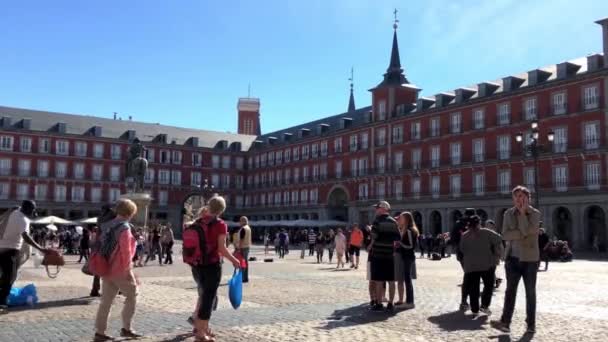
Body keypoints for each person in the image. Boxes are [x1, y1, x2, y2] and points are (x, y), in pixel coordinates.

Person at [189, 196, 241, 342]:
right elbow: (222, 248)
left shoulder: (198, 221)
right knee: (208, 298)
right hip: (212, 265)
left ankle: (204, 328)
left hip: (197, 264)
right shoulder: (220, 224)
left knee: (203, 295)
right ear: (222, 209)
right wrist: (235, 260)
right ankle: (200, 333)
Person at [491, 186, 541, 335]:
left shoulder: (535, 214)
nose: (519, 199)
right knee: (510, 291)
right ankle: (505, 322)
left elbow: (530, 231)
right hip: (512, 259)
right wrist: (523, 232)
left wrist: (523, 214)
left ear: (528, 198)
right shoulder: (508, 213)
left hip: (530, 259)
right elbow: (505, 235)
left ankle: (531, 324)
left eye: (521, 196)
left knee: (530, 293)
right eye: (516, 196)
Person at [94, 199, 142, 341]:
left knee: (106, 301)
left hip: (106, 268)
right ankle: (126, 328)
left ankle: (100, 332)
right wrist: (128, 270)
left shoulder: (107, 226)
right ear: (130, 212)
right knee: (132, 295)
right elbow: (126, 252)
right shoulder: (124, 228)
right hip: (120, 269)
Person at [0, 200, 54, 314]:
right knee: (9, 278)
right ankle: (1, 302)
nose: (34, 212)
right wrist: (41, 248)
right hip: (10, 250)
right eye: (33, 209)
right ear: (29, 209)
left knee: (4, 275)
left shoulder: (14, 212)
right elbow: (26, 237)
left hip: (2, 248)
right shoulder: (23, 220)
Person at [460, 215, 503, 315]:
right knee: (488, 286)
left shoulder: (465, 235)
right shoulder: (486, 232)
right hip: (487, 264)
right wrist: (496, 255)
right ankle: (484, 306)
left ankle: (474, 309)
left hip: (471, 266)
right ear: (479, 223)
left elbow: (462, 249)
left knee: (473, 288)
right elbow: (499, 239)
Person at [369, 201, 401, 312]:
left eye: (377, 208)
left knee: (378, 280)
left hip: (378, 254)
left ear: (383, 209)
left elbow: (374, 236)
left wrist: (370, 242)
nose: (376, 210)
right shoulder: (394, 222)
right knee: (391, 280)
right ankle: (391, 304)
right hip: (390, 255)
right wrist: (393, 250)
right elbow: (398, 238)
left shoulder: (377, 221)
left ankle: (378, 304)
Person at [451, 208, 475, 311]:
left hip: (462, 253)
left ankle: (465, 301)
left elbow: (453, 238)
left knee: (468, 276)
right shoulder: (474, 223)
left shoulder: (458, 224)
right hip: (474, 254)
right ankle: (467, 301)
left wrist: (457, 248)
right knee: (472, 277)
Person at [394, 212, 419, 309]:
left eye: (402, 218)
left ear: (407, 219)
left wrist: (400, 243)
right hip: (407, 256)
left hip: (408, 256)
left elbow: (411, 246)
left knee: (408, 280)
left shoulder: (409, 230)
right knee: (407, 279)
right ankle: (409, 300)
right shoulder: (407, 229)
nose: (400, 219)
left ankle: (410, 301)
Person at [237, 216, 252, 283]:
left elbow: (241, 239)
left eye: (240, 221)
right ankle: (245, 278)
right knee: (245, 262)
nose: (239, 222)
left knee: (242, 263)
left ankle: (242, 277)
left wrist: (239, 248)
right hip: (247, 246)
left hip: (243, 247)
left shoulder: (243, 229)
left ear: (243, 221)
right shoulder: (248, 228)